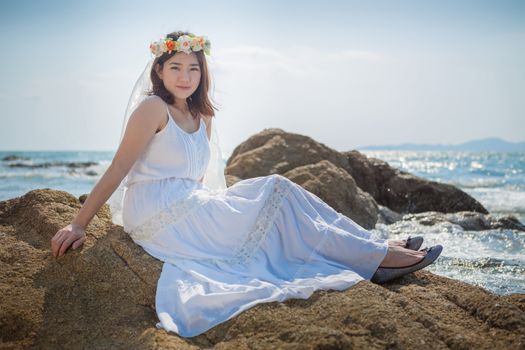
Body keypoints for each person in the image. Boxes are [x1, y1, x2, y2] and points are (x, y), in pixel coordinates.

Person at [50, 30, 442, 338]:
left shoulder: (202, 114)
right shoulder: (152, 109)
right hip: (156, 214)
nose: (185, 77)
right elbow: (119, 167)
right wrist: (79, 223)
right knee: (275, 190)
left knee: (276, 192)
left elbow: (199, 179)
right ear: (159, 71)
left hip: (190, 204)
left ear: (203, 73)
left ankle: (374, 248)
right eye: (175, 68)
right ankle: (376, 257)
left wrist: (220, 211)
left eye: (193, 68)